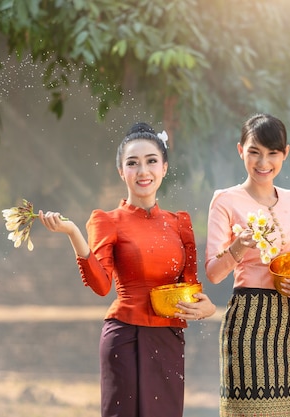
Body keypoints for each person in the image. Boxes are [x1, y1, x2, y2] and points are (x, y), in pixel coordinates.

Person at [38, 122, 216, 417]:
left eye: (151, 161)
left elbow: (191, 290)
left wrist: (206, 308)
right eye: (132, 163)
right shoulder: (107, 221)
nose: (142, 171)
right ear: (121, 171)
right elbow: (100, 285)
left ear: (164, 168)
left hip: (169, 339)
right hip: (125, 338)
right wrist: (73, 233)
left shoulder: (180, 224)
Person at [205, 113, 290, 417]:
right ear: (240, 151)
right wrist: (239, 246)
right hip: (249, 320)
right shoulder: (225, 201)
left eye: (273, 153)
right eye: (254, 152)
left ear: (285, 153)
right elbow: (213, 273)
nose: (264, 162)